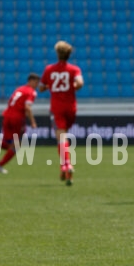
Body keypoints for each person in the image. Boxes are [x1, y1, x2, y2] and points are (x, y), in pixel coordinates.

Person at [39, 40, 84, 186]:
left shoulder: (49, 69)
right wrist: (74, 86)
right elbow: (80, 83)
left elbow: (40, 87)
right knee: (64, 136)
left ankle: (66, 164)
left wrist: (48, 85)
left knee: (61, 137)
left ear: (57, 54)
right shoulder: (74, 69)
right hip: (71, 107)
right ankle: (65, 171)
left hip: (57, 107)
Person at [0, 73, 40, 174]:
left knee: (10, 143)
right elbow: (27, 107)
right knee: (16, 146)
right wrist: (32, 121)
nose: (37, 85)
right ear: (31, 81)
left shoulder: (19, 89)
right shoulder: (31, 92)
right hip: (17, 118)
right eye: (36, 82)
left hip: (7, 116)